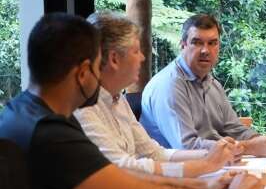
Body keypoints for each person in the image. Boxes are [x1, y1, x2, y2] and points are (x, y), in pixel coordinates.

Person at [0, 13, 263, 189]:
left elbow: (125, 175)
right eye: (96, 66)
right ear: (82, 73)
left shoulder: (22, 114)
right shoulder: (51, 133)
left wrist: (205, 184)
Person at [74, 11, 243, 177]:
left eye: (212, 43)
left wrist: (213, 154)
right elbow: (124, 168)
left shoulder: (118, 100)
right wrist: (205, 165)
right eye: (136, 51)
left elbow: (154, 154)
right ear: (114, 59)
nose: (142, 58)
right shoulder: (82, 109)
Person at [141, 14, 266, 157]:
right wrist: (248, 147)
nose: (205, 50)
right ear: (183, 45)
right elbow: (186, 147)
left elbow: (233, 128)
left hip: (210, 168)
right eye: (197, 42)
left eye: (212, 43)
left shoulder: (212, 84)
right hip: (175, 174)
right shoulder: (169, 85)